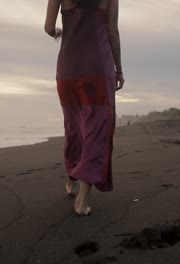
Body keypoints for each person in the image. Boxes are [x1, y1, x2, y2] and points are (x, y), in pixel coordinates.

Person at [45, 0, 124, 216]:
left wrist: (59, 32)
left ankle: (71, 178)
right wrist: (119, 70)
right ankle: (81, 199)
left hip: (68, 70)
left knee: (73, 128)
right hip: (98, 67)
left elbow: (49, 27)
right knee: (95, 131)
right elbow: (113, 33)